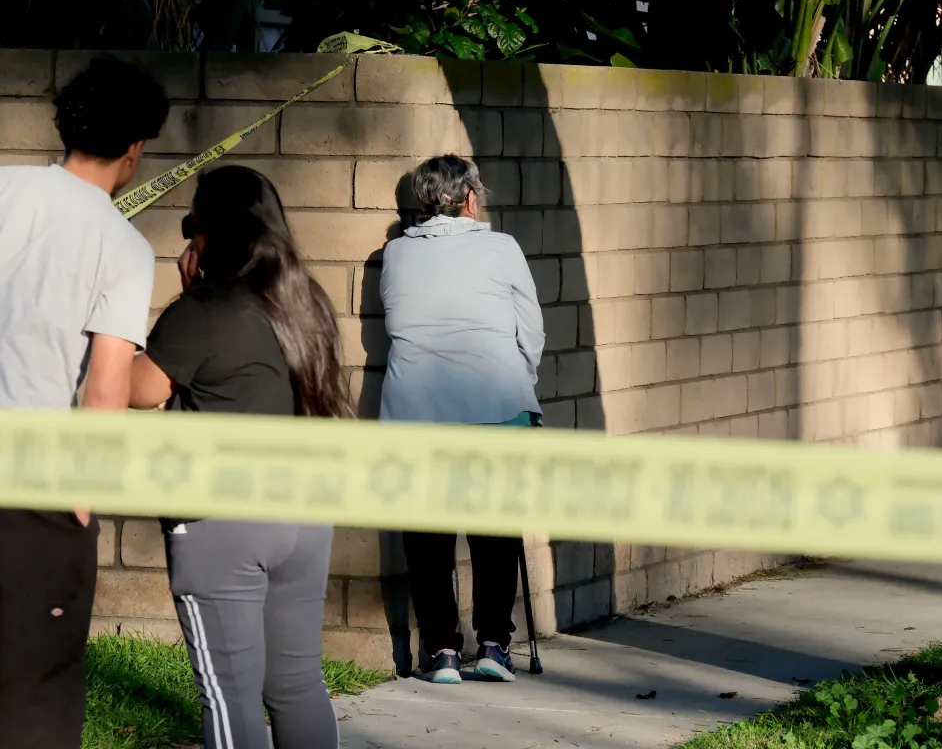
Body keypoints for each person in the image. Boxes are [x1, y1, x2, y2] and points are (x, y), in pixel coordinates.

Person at [129, 165, 350, 749]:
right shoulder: (309, 303)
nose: (186, 241)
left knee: (230, 697)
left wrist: (187, 295)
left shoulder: (202, 312)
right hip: (305, 515)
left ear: (214, 235)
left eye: (190, 226)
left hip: (221, 524)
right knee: (300, 684)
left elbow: (138, 388)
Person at [0, 55, 168, 749]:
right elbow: (107, 388)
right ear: (135, 149)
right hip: (34, 487)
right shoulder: (122, 246)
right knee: (34, 687)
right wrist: (81, 502)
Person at [380, 155, 545, 684]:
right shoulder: (501, 247)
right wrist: (520, 381)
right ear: (470, 197)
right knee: (496, 530)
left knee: (427, 534)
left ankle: (443, 651)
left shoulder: (395, 253)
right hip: (494, 406)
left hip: (415, 412)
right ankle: (494, 645)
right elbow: (531, 331)